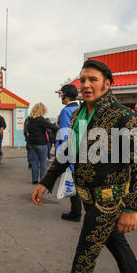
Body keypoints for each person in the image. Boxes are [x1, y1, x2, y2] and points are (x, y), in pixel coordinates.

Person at [31, 60, 137, 273]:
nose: (86, 85)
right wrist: (46, 181)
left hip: (108, 201)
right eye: (83, 80)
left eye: (92, 80)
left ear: (107, 83)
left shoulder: (124, 117)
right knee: (115, 242)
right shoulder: (78, 114)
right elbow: (68, 152)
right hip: (87, 197)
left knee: (84, 255)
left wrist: (132, 208)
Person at [57, 84, 82, 222]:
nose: (61, 97)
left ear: (65, 95)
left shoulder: (67, 111)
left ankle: (76, 213)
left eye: (61, 94)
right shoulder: (80, 108)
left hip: (71, 152)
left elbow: (65, 134)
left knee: (71, 182)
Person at [26, 103, 56, 184]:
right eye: (43, 110)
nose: (44, 112)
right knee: (43, 162)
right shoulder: (41, 119)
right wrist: (59, 128)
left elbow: (26, 130)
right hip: (41, 144)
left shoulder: (29, 119)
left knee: (34, 162)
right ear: (40, 110)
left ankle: (34, 180)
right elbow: (51, 126)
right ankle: (42, 180)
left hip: (31, 143)